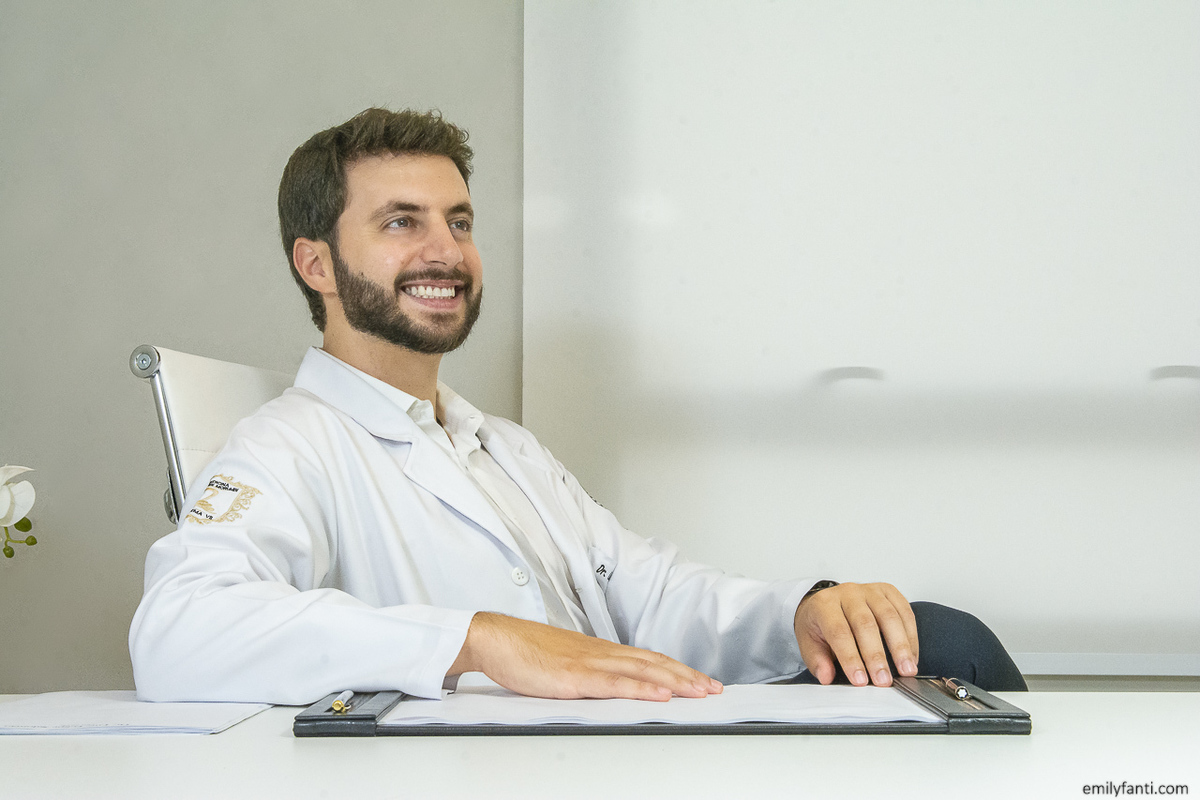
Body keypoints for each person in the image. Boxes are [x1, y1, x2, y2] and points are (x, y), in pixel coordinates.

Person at [130, 108, 1025, 704]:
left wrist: (801, 611)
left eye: (459, 221)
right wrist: (478, 640)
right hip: (508, 768)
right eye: (402, 222)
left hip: (622, 735)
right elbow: (177, 632)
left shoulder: (499, 447)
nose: (447, 251)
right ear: (317, 263)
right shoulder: (287, 445)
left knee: (941, 642)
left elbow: (653, 595)